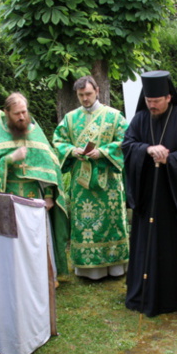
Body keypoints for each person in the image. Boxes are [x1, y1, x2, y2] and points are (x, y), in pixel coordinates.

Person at [122, 70, 177, 317]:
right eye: (148, 100)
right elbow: (127, 145)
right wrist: (147, 150)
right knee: (144, 242)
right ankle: (141, 294)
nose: (152, 105)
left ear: (168, 97)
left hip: (171, 196)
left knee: (170, 245)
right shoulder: (140, 119)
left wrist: (170, 158)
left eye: (156, 101)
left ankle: (172, 296)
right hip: (148, 194)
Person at [53, 76, 129, 280]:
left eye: (88, 94)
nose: (85, 99)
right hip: (81, 180)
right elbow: (58, 141)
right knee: (83, 222)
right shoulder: (70, 118)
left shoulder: (114, 116)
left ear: (97, 91)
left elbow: (126, 141)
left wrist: (103, 152)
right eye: (81, 95)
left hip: (109, 181)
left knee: (110, 221)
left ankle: (115, 266)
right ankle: (88, 269)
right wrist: (72, 150)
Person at [0, 92, 69, 277]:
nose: (22, 117)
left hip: (35, 195)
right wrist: (9, 158)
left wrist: (49, 195)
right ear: (6, 112)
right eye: (17, 113)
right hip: (10, 195)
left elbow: (50, 164)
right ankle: (16, 276)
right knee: (15, 240)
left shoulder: (34, 131)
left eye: (24, 112)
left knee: (37, 238)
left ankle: (43, 276)